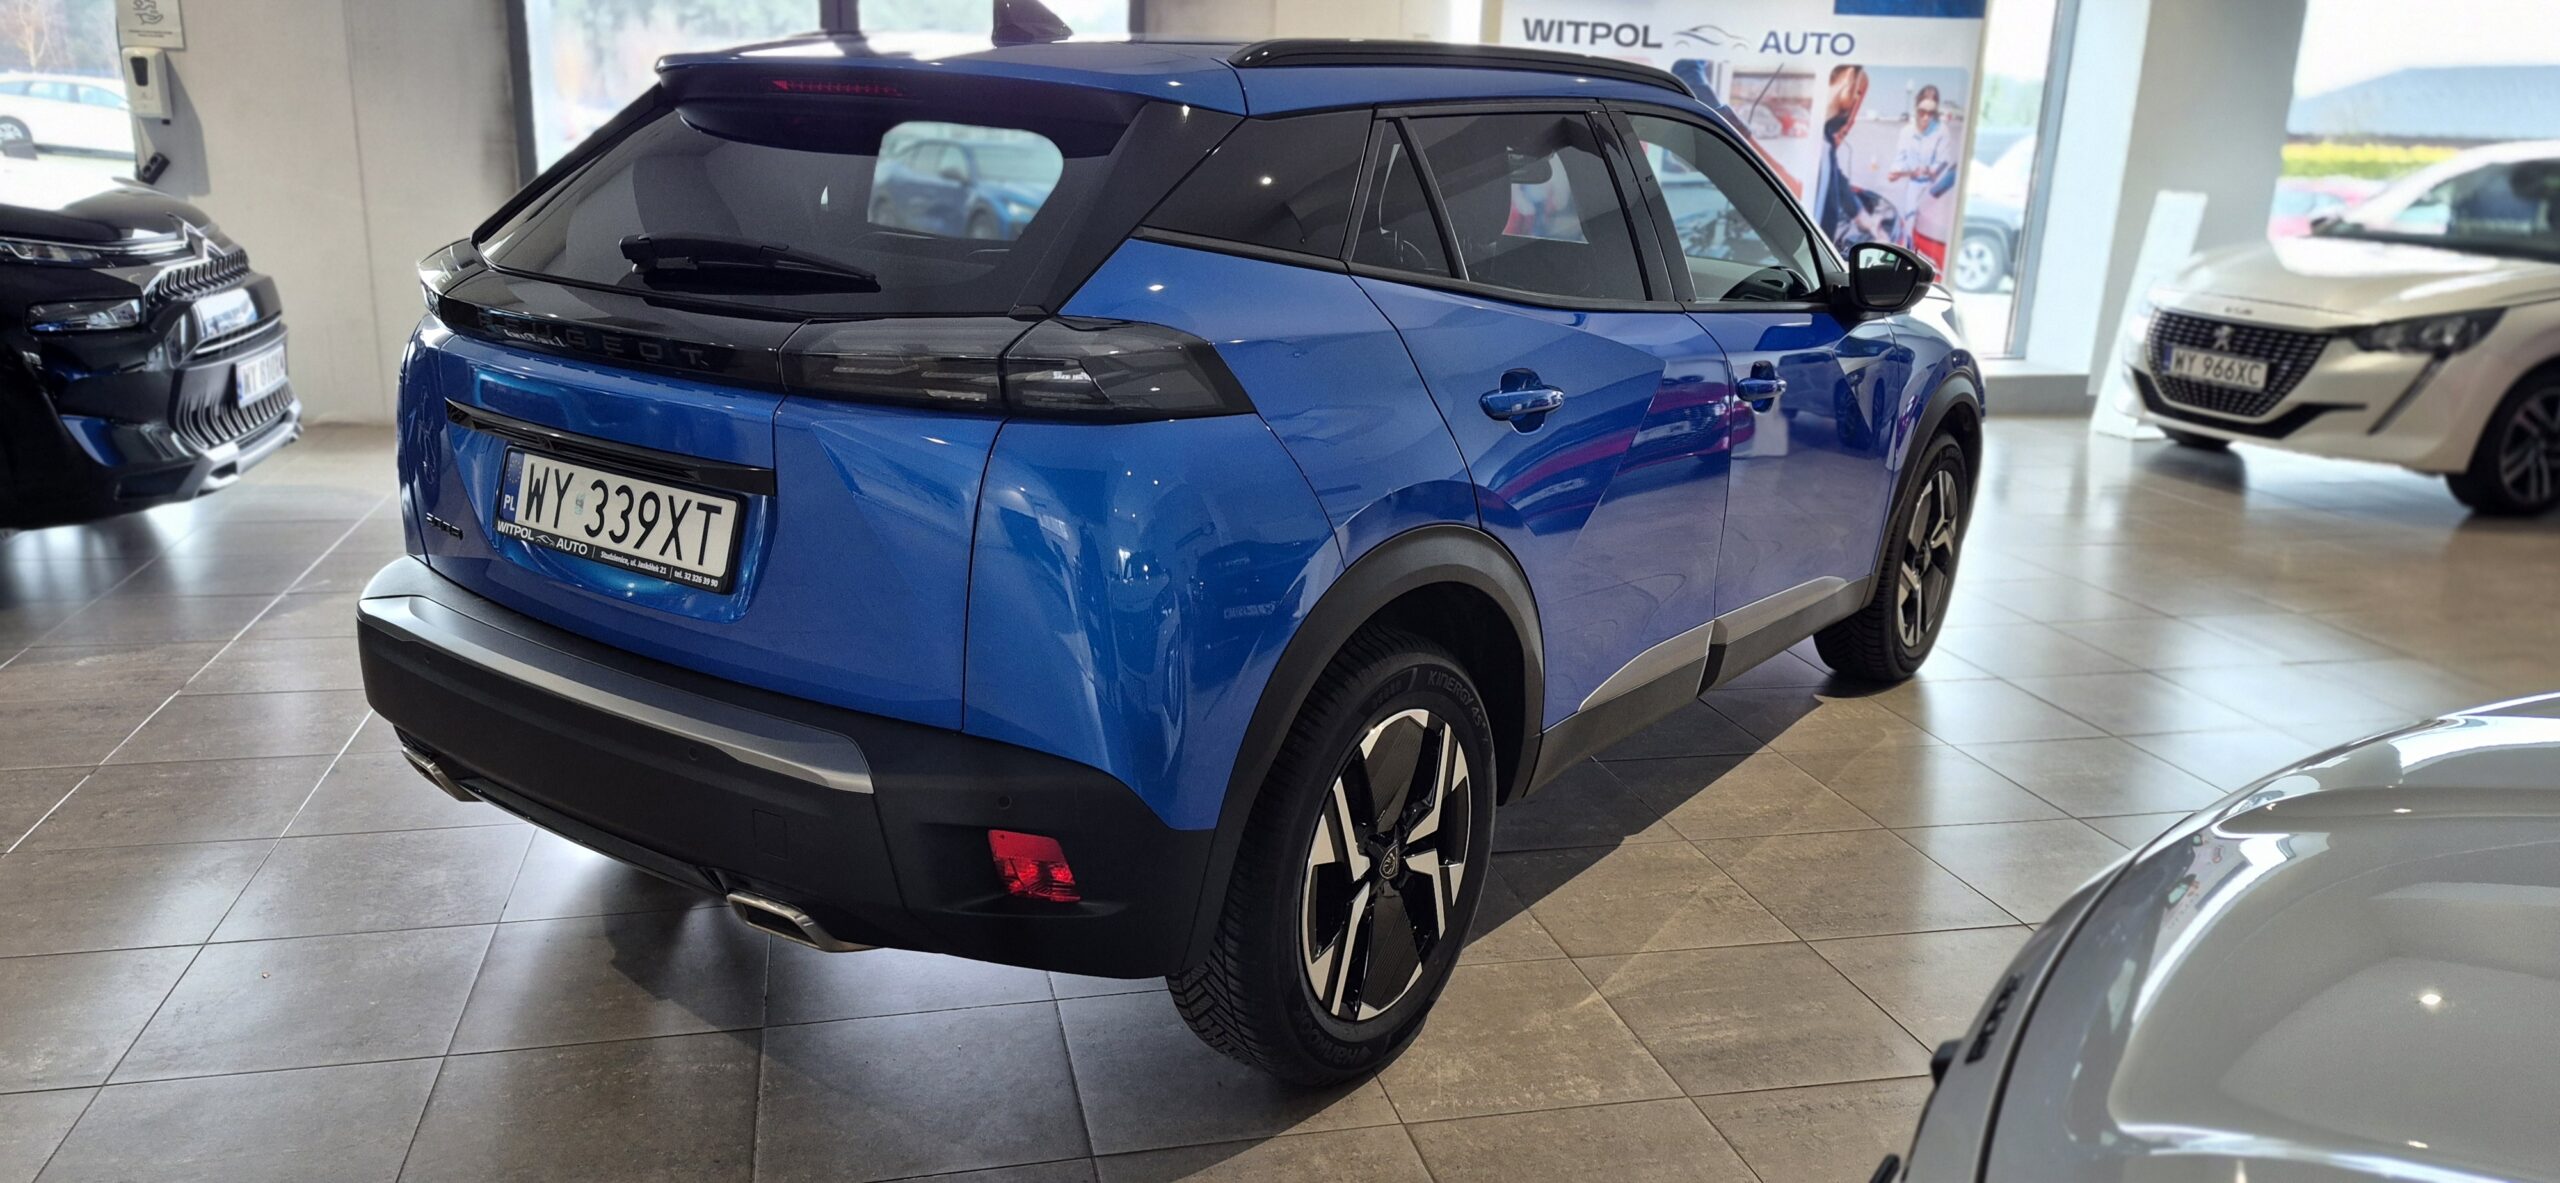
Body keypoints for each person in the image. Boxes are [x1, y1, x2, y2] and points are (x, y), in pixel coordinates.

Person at [1815, 64, 1885, 251]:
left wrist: (1866, 221)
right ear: (1848, 77)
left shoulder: (1826, 139)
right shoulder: (1806, 137)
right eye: (1857, 93)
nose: (1856, 100)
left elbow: (1839, 184)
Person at [1889, 85, 1955, 267]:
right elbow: (1899, 160)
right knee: (1908, 226)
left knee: (1927, 231)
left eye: (1931, 112)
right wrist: (1898, 170)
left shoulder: (1942, 131)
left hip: (1934, 188)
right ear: (1916, 107)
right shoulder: (1906, 132)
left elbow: (1943, 162)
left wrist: (1928, 170)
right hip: (1913, 185)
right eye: (1922, 111)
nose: (1926, 117)